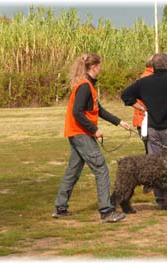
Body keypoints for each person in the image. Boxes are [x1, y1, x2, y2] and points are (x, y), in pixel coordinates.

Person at [52, 53, 130, 223]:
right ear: (94, 66)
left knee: (73, 170)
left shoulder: (89, 86)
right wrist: (94, 130)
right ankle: (106, 211)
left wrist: (119, 122)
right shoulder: (85, 86)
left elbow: (98, 110)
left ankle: (60, 207)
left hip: (76, 133)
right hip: (81, 133)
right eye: (100, 65)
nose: (101, 68)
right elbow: (77, 112)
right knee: (101, 168)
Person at [121, 52, 167, 209]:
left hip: (153, 130)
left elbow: (125, 95)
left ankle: (161, 201)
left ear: (152, 67)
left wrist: (140, 107)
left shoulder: (143, 82)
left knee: (155, 170)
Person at [132, 56, 154, 154]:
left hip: (141, 120)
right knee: (152, 154)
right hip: (147, 121)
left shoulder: (143, 77)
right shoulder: (151, 79)